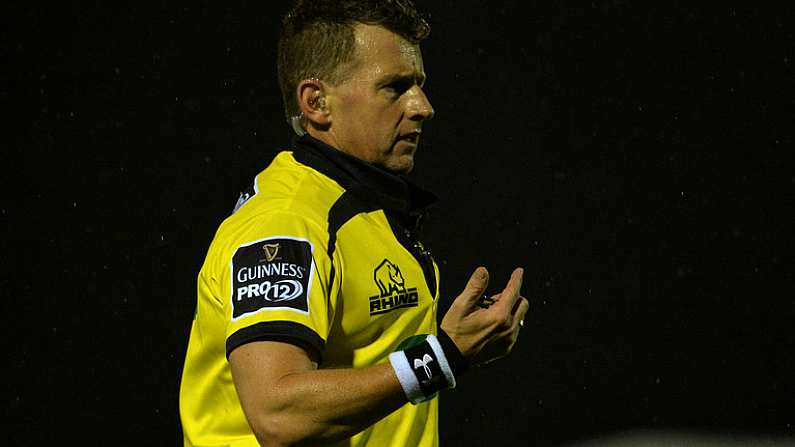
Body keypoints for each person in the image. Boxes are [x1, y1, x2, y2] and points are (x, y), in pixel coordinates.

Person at [179, 1, 530, 446]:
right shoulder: (286, 224)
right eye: (395, 87)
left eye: (419, 85)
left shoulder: (363, 208)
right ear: (317, 103)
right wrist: (443, 355)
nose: (423, 107)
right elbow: (278, 413)